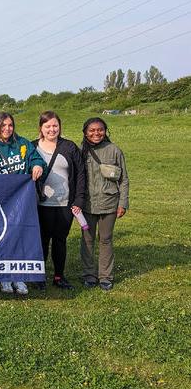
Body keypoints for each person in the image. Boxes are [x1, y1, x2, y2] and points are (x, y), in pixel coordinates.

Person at [0, 112, 45, 296]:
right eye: (2, 125)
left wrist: (37, 165)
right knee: (3, 236)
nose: (7, 129)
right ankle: (4, 276)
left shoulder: (22, 143)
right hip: (0, 199)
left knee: (20, 235)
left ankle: (19, 276)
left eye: (10, 125)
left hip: (21, 199)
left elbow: (36, 158)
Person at [33, 111, 86, 290]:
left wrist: (78, 200)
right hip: (41, 205)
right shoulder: (32, 147)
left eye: (55, 125)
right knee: (41, 241)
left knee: (60, 240)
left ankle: (58, 276)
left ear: (60, 127)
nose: (52, 129)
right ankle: (39, 277)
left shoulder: (69, 147)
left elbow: (80, 175)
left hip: (65, 204)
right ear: (41, 127)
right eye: (47, 126)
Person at [80, 117, 129, 291]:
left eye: (100, 130)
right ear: (85, 132)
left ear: (105, 131)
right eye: (92, 130)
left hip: (109, 204)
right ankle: (89, 275)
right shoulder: (80, 151)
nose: (96, 133)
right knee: (87, 239)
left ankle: (105, 277)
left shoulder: (114, 150)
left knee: (106, 240)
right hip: (86, 206)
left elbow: (123, 180)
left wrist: (123, 203)